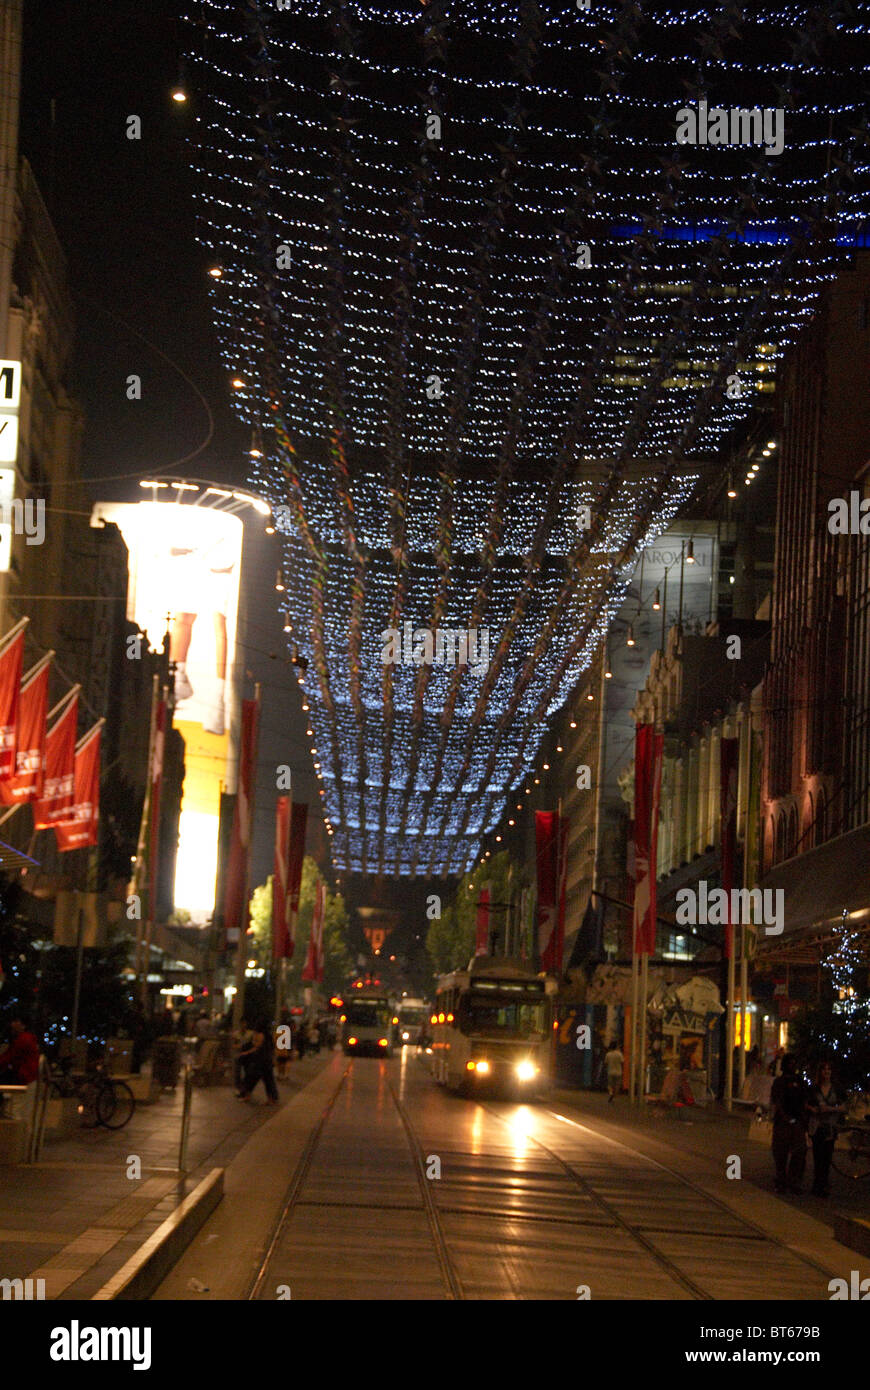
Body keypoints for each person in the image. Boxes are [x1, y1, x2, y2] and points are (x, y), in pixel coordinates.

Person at [770, 1054, 809, 1194]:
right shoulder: (779, 1082)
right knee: (781, 1153)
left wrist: (802, 1118)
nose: (792, 1067)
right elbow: (777, 1102)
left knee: (799, 1152)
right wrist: (785, 1117)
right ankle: (781, 1181)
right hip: (783, 1122)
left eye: (794, 1064)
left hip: (797, 1121)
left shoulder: (800, 1082)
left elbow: (804, 1100)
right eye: (790, 1064)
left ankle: (794, 1181)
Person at [806, 1059, 846, 1198]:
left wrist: (830, 1108)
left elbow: (843, 1107)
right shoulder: (814, 1089)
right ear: (820, 1072)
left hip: (830, 1127)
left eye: (829, 1069)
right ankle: (817, 1184)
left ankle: (824, 1184)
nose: (827, 1072)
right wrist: (814, 1109)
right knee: (818, 1156)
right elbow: (807, 1104)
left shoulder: (836, 1089)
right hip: (817, 1127)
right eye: (824, 1069)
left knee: (827, 1157)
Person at [237, 1020, 278, 1104]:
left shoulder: (259, 1035)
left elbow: (257, 1047)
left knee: (251, 1078)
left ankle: (246, 1095)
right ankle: (272, 1098)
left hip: (259, 1061)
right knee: (269, 1080)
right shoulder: (268, 1035)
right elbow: (272, 1049)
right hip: (267, 1060)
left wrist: (246, 1053)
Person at [0, 1016, 40, 1087]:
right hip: (26, 1075)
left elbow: (8, 1058)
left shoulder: (23, 1040)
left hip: (22, 1076)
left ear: (23, 1026)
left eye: (16, 1022)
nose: (12, 1024)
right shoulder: (28, 1038)